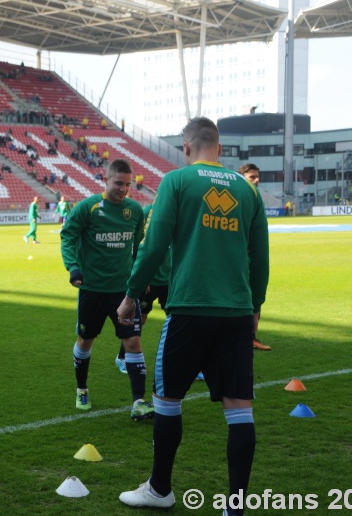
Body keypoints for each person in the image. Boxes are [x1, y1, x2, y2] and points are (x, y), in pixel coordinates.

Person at [116, 117, 269, 514]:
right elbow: (261, 259)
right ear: (219, 148)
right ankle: (235, 506)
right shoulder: (248, 191)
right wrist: (255, 307)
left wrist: (132, 293)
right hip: (236, 313)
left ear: (186, 147)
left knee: (167, 399)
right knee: (239, 409)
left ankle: (160, 489)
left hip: (189, 309)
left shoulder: (177, 181)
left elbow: (154, 246)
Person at [61, 159, 153, 421]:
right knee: (85, 341)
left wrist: (140, 275)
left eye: (127, 184)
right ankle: (82, 389)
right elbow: (67, 236)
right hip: (92, 290)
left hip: (124, 292)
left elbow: (138, 248)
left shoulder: (135, 210)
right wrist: (73, 268)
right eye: (118, 183)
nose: (123, 189)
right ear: (106, 179)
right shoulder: (88, 208)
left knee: (133, 341)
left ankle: (138, 402)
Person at [115, 201, 171, 374]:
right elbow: (138, 245)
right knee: (140, 319)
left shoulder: (177, 212)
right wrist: (141, 276)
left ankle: (183, 362)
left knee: (178, 322)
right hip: (149, 279)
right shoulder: (146, 212)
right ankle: (122, 357)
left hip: (170, 279)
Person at [237, 163, 271, 351]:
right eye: (252, 177)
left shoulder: (255, 198)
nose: (257, 180)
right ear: (242, 177)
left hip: (253, 261)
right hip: (241, 261)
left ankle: (251, 338)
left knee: (255, 299)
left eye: (257, 177)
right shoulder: (241, 197)